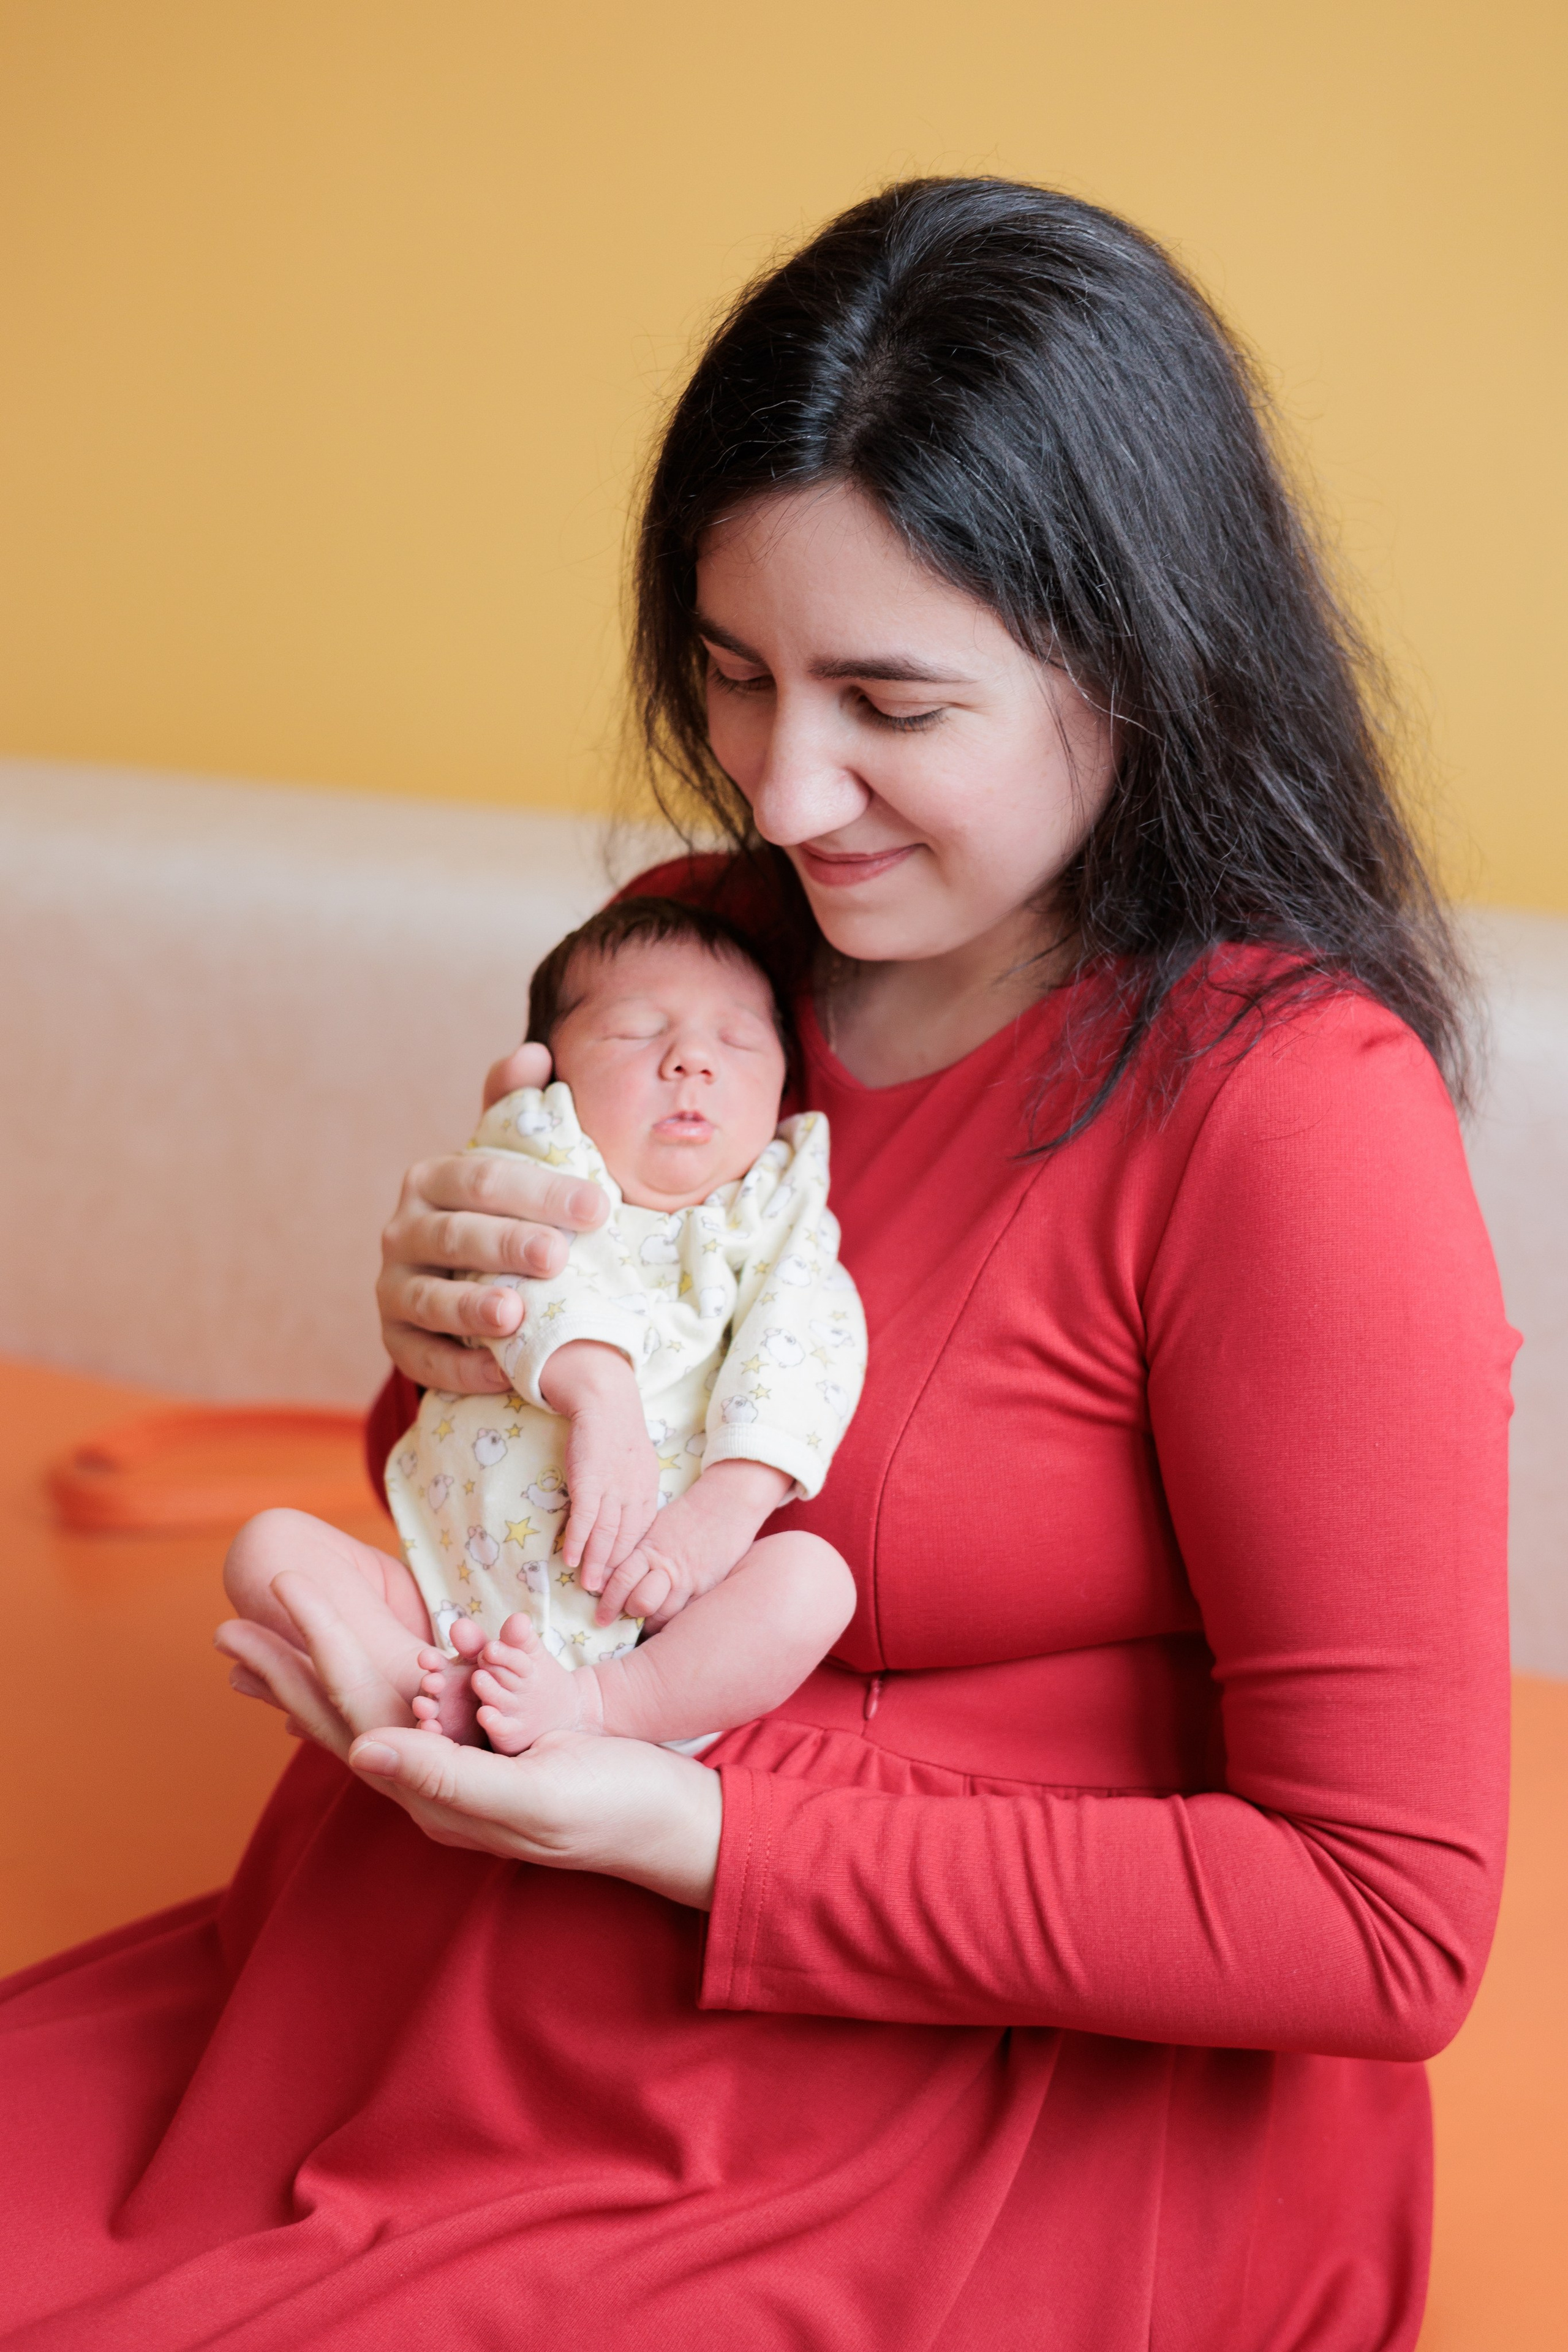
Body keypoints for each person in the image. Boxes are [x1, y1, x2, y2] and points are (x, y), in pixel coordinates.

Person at [0, 178, 1513, 2352]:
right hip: (417, 1978)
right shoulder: (710, 957)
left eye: (889, 703)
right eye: (733, 676)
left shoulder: (1287, 1111)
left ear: (1140, 664)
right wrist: (454, 1340)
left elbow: (1383, 1927)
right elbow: (531, 1496)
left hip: (941, 2091)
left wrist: (685, 1827)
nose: (787, 791)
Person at [218, 897, 864, 1752]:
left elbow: (809, 1348)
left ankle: (602, 1710)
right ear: (553, 1075)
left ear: (783, 1087)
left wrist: (729, 1504)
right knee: (268, 1550)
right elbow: (516, 1280)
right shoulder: (533, 1172)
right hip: (444, 1602)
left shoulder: (780, 1222)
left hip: (655, 1620)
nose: (693, 1060)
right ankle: (420, 1692)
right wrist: (601, 1392)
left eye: (739, 1040)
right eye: (636, 1032)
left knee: (812, 1584)